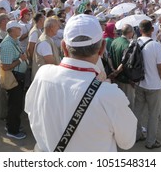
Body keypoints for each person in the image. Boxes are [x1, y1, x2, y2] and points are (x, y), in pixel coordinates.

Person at [25, 14, 137, 151]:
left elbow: (30, 112)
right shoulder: (110, 95)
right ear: (102, 48)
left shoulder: (42, 75)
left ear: (64, 47)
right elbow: (127, 142)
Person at [133, 20, 161, 149]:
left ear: (140, 30)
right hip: (154, 85)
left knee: (137, 111)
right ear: (152, 30)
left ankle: (136, 135)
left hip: (139, 83)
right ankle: (150, 141)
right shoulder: (155, 45)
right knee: (154, 114)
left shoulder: (135, 42)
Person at [0, 21, 28, 140]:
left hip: (17, 77)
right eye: (18, 28)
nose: (20, 30)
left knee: (15, 103)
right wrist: (21, 60)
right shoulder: (7, 44)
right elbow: (5, 66)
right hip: (14, 77)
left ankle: (12, 125)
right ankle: (12, 130)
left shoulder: (13, 41)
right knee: (14, 105)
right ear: (12, 30)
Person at [109, 24, 135, 108]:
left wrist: (113, 69)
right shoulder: (128, 45)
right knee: (127, 104)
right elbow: (126, 63)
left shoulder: (115, 41)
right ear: (130, 33)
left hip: (115, 78)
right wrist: (116, 72)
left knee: (117, 103)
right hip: (125, 79)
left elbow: (109, 57)